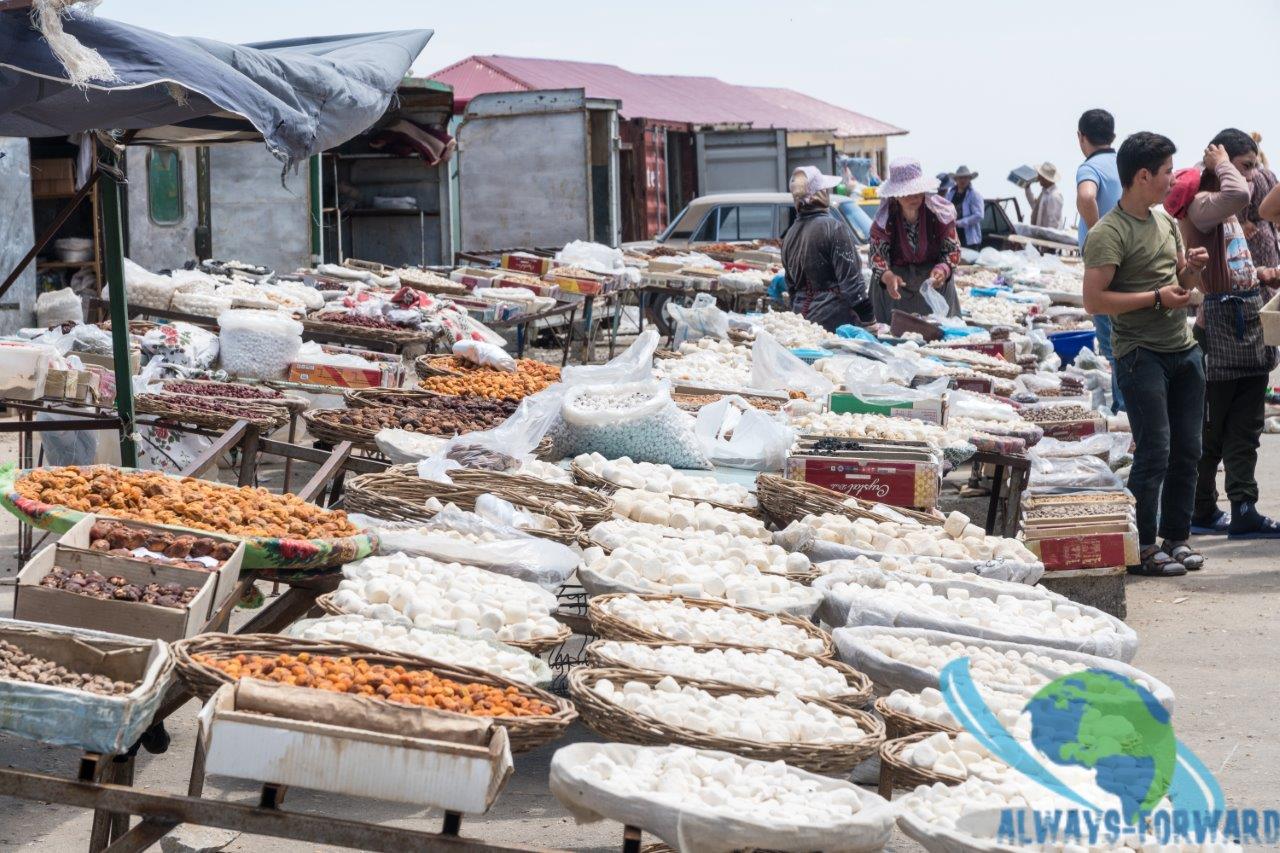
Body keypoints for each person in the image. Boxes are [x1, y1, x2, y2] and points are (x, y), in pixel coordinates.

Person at [1082, 131, 1210, 577]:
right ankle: (1143, 547)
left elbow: (1181, 283)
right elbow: (1095, 302)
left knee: (1188, 449)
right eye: (1167, 171)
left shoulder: (1166, 222)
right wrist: (1156, 298)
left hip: (1183, 349)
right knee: (1155, 450)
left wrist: (1190, 270)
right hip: (1140, 354)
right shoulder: (1108, 233)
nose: (1173, 179)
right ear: (1142, 176)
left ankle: (1177, 539)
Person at [1167, 130, 1280, 538]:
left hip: (1246, 320)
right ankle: (1200, 508)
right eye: (1244, 166)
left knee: (1246, 426)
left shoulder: (1225, 212)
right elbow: (1239, 195)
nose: (1250, 176)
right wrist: (1221, 164)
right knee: (1211, 428)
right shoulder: (1202, 205)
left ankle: (1244, 506)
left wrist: (1266, 274)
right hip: (1219, 328)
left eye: (1251, 166)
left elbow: (1236, 262)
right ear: (1223, 164)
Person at [868, 157, 962, 323]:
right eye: (907, 192)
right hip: (898, 285)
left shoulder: (939, 215)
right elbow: (877, 257)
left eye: (917, 191)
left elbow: (952, 250)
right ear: (896, 195)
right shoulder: (885, 219)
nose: (914, 197)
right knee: (892, 331)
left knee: (941, 331)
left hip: (932, 281)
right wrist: (888, 277)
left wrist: (943, 270)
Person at [1075, 109, 1126, 412]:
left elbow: (1086, 197)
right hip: (1128, 259)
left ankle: (1124, 410)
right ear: (1113, 137)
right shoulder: (1124, 164)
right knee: (1126, 340)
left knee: (1114, 347)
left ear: (1081, 137)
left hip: (1105, 266)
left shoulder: (1089, 167)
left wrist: (1096, 234)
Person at [780, 166, 872, 331]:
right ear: (820, 195)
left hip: (802, 322)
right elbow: (853, 286)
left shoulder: (789, 236)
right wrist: (870, 321)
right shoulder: (834, 228)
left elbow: (792, 287)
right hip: (835, 322)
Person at [943, 166, 984, 249]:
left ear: (969, 179)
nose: (963, 180)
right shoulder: (949, 195)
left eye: (965, 178)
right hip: (952, 238)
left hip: (969, 240)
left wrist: (959, 223)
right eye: (960, 178)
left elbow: (979, 215)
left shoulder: (974, 195)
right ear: (956, 180)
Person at [1025, 162, 1064, 229]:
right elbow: (1035, 207)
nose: (1038, 177)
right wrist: (1027, 187)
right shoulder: (1045, 193)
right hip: (1038, 234)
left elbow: (1053, 224)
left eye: (1040, 176)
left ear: (1046, 179)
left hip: (1044, 237)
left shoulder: (1054, 196)